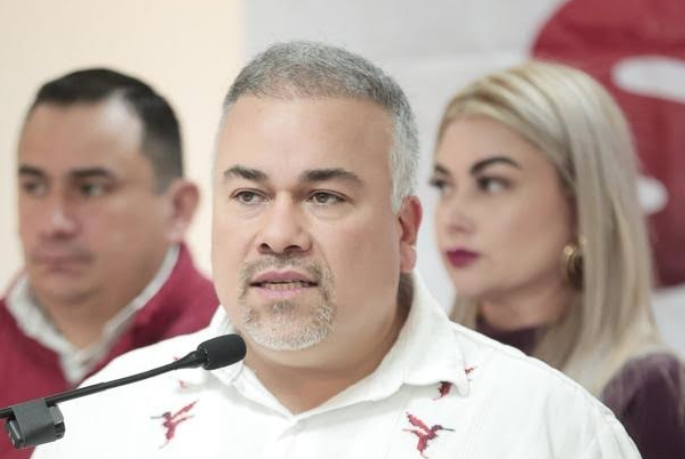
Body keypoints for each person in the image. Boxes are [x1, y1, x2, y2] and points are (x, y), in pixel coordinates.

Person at [32, 42, 639, 459]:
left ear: (405, 231)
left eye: (323, 196)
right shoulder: (100, 423)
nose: (278, 234)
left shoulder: (552, 430)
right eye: (249, 195)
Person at [430, 61, 685, 458]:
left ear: (582, 201)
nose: (453, 216)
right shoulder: (407, 368)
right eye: (444, 185)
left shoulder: (643, 390)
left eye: (491, 183)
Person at [0, 68, 220, 459]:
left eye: (90, 188)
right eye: (34, 186)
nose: (54, 223)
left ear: (177, 208)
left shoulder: (238, 353)